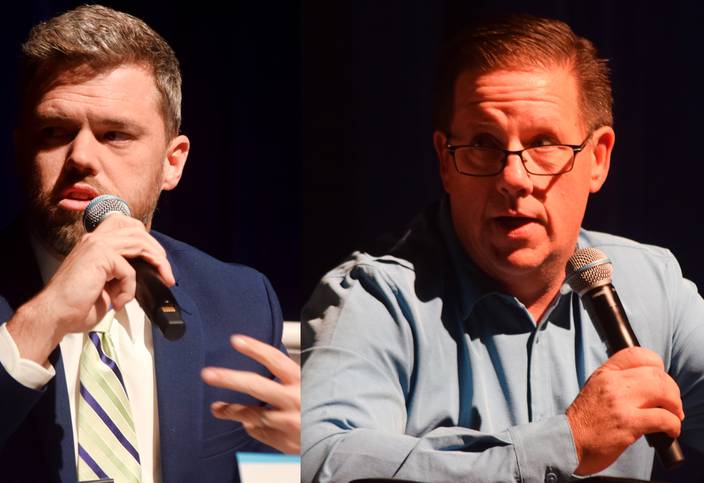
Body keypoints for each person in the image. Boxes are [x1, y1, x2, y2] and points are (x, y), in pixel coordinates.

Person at [0, 5, 299, 483]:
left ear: (172, 163)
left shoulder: (239, 301)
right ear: (20, 146)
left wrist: (309, 451)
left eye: (115, 135)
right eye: (55, 132)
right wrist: (42, 318)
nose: (82, 157)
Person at [301, 14, 704, 482]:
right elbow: (318, 460)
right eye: (483, 144)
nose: (513, 176)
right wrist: (565, 443)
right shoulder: (375, 299)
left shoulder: (650, 283)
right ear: (445, 162)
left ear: (597, 159)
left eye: (544, 143)